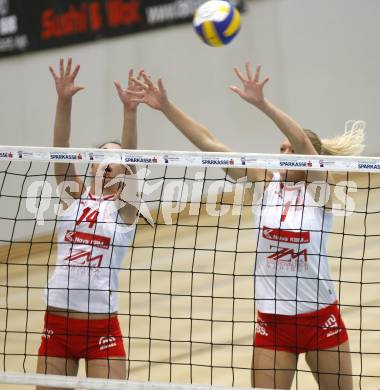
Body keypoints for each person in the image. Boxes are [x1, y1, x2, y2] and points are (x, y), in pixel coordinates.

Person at [127, 62, 365, 390]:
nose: (283, 153)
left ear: (309, 158)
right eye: (280, 148)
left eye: (291, 149)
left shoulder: (319, 192)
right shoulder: (264, 182)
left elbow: (303, 142)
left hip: (320, 317)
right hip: (273, 322)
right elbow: (210, 144)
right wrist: (166, 107)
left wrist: (262, 104)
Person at [37, 58, 144, 389]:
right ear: (92, 167)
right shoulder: (72, 199)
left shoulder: (125, 212)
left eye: (116, 159)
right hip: (58, 324)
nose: (109, 164)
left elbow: (133, 161)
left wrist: (129, 113)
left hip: (102, 330)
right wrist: (64, 101)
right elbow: (60, 149)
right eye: (103, 158)